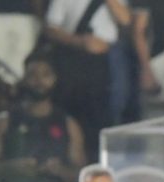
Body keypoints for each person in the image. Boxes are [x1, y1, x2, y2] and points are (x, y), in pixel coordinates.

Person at [0, 50, 86, 182]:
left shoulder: (69, 125)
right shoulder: (3, 122)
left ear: (55, 78)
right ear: (24, 78)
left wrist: (60, 171)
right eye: (33, 75)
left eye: (46, 75)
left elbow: (82, 173)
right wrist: (11, 169)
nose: (39, 81)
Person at [43, 0, 130, 159]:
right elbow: (51, 29)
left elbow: (125, 20)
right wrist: (79, 41)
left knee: (105, 116)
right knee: (71, 114)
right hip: (71, 59)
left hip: (106, 61)